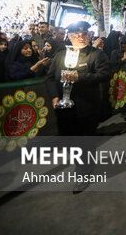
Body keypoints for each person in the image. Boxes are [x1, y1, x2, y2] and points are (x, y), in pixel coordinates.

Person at [45, 21, 110, 193]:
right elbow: (50, 78)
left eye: (84, 34)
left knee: (85, 142)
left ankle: (84, 174)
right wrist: (54, 97)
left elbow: (104, 75)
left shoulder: (96, 55)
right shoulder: (60, 55)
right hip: (64, 107)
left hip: (87, 107)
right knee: (69, 140)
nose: (80, 37)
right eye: (76, 35)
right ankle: (81, 165)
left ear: (89, 36)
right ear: (70, 37)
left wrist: (80, 77)